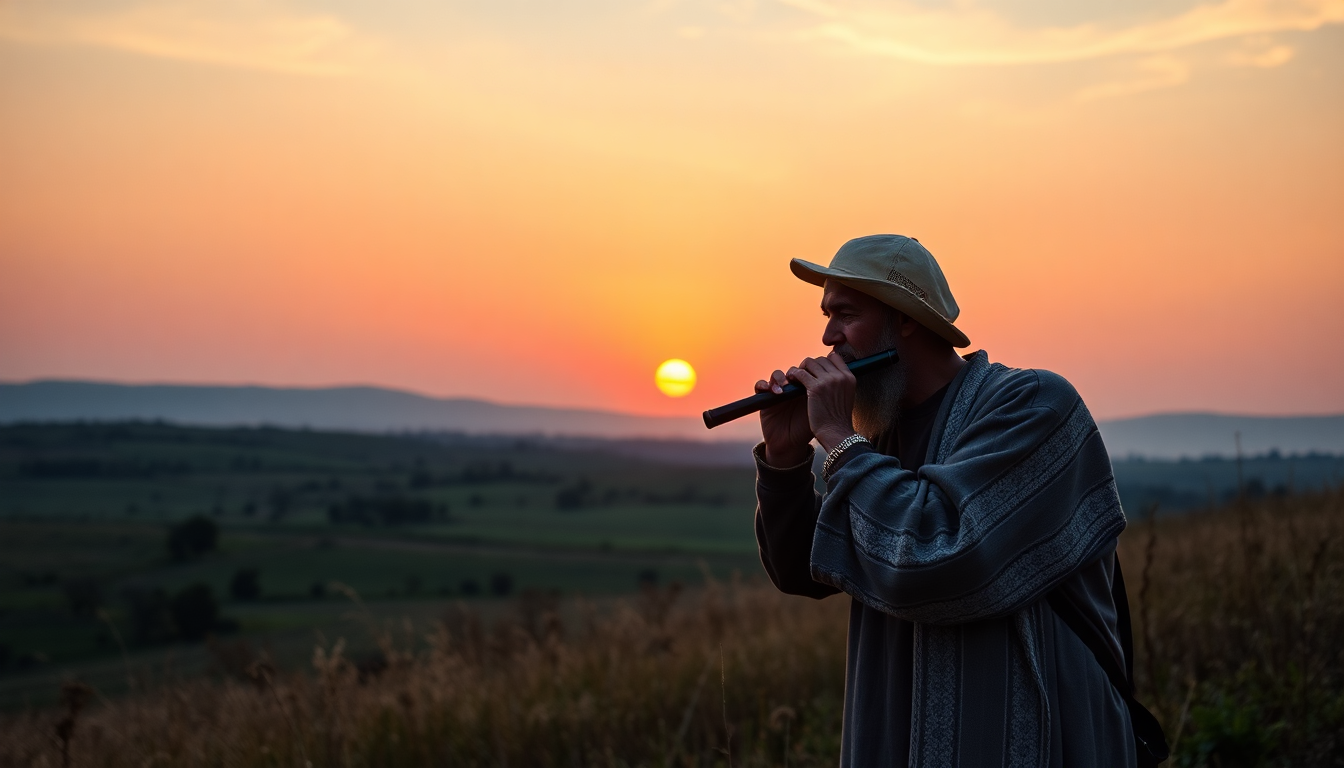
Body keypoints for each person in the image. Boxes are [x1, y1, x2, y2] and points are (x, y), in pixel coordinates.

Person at [754, 234, 1141, 768]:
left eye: (845, 314)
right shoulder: (879, 437)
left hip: (1039, 743)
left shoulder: (1032, 407)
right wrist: (785, 458)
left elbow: (939, 556)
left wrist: (842, 440)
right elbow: (803, 569)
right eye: (825, 314)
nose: (827, 336)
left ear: (905, 318)